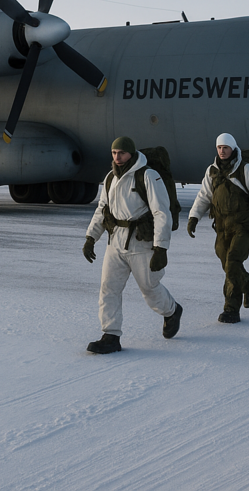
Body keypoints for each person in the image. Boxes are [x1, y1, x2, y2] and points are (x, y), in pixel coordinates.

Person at [83, 136, 182, 354]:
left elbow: (161, 212)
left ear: (131, 154)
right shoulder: (110, 178)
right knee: (108, 288)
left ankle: (172, 311)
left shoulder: (148, 176)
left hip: (141, 243)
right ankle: (110, 335)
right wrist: (91, 237)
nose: (117, 157)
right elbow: (102, 209)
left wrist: (161, 248)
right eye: (114, 153)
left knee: (149, 288)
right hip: (115, 242)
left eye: (122, 153)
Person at [187, 133, 249, 323]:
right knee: (229, 267)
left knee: (233, 262)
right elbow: (204, 196)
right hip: (221, 227)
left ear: (233, 148)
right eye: (219, 148)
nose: (222, 151)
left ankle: (236, 301)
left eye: (226, 147)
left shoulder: (247, 170)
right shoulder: (212, 171)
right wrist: (194, 216)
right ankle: (240, 299)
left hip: (242, 226)